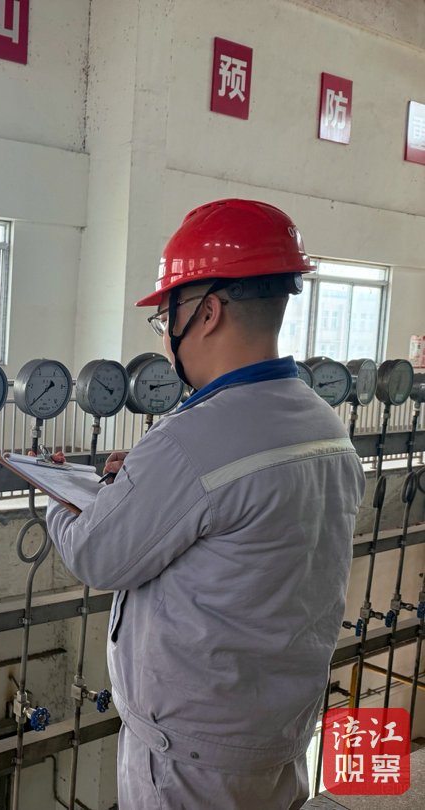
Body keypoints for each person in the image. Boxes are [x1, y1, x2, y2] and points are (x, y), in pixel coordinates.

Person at [47, 199, 365, 809]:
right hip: (279, 738)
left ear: (207, 312)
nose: (167, 339)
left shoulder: (190, 440)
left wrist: (58, 496)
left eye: (165, 317)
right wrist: (143, 481)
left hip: (191, 761)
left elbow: (95, 555)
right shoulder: (323, 424)